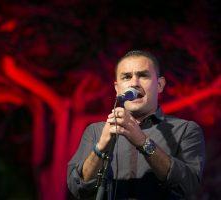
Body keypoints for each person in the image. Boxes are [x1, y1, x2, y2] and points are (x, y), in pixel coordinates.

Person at [67, 50, 205, 199]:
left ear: (159, 85)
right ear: (117, 89)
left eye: (143, 75)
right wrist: (100, 148)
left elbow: (188, 185)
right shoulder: (95, 131)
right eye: (126, 77)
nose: (134, 83)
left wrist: (142, 141)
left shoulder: (186, 130)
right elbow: (77, 188)